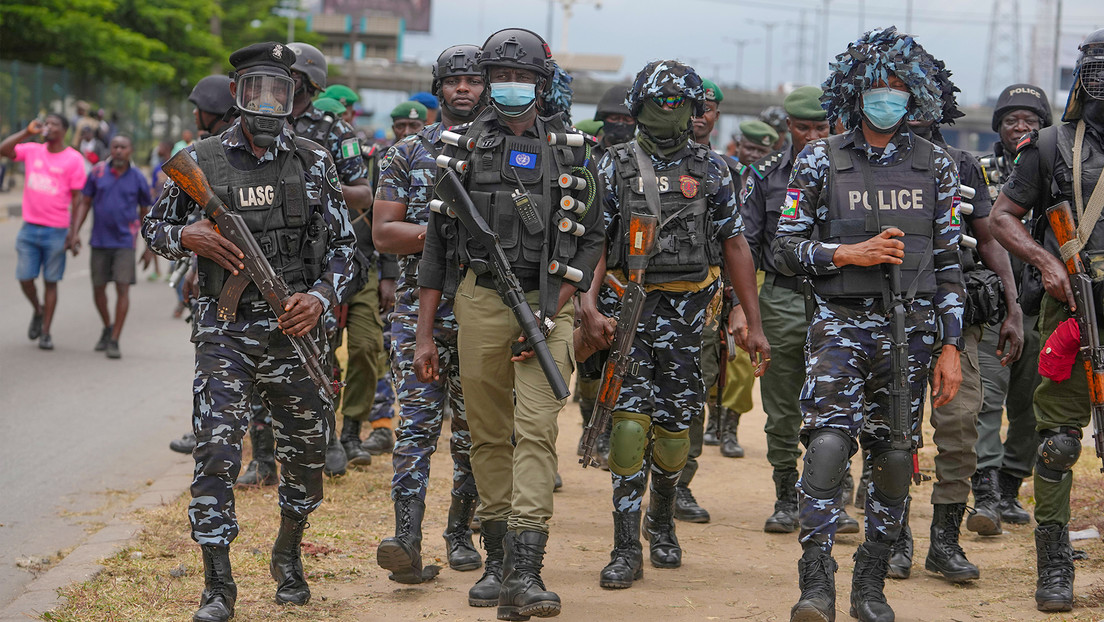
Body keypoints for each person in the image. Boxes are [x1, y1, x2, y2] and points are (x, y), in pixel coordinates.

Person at [142, 42, 356, 622]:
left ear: (293, 98)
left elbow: (345, 250)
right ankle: (218, 585)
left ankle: (288, 550)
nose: (266, 101)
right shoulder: (201, 160)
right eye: (254, 89)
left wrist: (319, 298)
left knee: (308, 452)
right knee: (216, 449)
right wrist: (189, 237)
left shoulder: (315, 161)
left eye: (278, 91)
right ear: (236, 95)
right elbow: (154, 226)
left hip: (295, 330)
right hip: (225, 329)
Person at [773, 27, 964, 622]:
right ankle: (815, 586)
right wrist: (842, 255)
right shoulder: (819, 158)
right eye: (877, 87)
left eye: (899, 87)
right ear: (856, 91)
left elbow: (952, 263)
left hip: (912, 331)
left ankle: (871, 588)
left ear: (917, 95)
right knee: (828, 448)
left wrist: (951, 345)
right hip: (840, 325)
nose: (887, 96)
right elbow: (781, 249)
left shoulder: (939, 165)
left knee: (895, 457)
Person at [416, 27, 604, 619]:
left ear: (542, 85)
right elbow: (437, 253)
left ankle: (527, 568)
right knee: (487, 432)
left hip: (548, 302)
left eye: (524, 79)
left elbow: (595, 233)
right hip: (479, 301)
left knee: (538, 425)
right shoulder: (458, 149)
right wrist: (425, 332)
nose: (513, 87)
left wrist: (562, 300)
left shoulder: (573, 150)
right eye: (503, 78)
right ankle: (497, 559)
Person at [579, 60, 769, 591]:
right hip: (628, 313)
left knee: (674, 435)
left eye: (678, 103)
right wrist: (589, 308)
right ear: (637, 106)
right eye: (657, 102)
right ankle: (624, 548)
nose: (668, 112)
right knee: (628, 430)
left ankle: (661, 524)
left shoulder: (714, 171)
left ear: (693, 111)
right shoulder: (612, 165)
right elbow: (595, 243)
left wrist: (751, 321)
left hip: (690, 318)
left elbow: (736, 246)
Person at [885, 59, 1023, 583]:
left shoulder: (963, 165)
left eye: (922, 99)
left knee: (961, 428)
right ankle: (894, 537)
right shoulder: (862, 161)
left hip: (952, 319)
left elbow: (989, 239)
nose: (912, 112)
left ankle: (945, 542)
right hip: (885, 316)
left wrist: (1012, 309)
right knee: (893, 432)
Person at [989, 28, 1104, 613]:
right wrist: (1043, 261)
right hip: (1073, 308)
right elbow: (1001, 217)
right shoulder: (1051, 144)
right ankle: (1055, 563)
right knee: (1060, 444)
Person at [372, 42, 485, 584]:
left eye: (473, 80)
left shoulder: (500, 152)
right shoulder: (405, 154)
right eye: (454, 80)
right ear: (439, 87)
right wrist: (441, 237)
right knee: (415, 429)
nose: (463, 88)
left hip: (483, 311)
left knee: (473, 433)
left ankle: (461, 533)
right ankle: (406, 540)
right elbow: (384, 233)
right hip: (418, 313)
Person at [739, 85, 842, 536]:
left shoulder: (852, 171)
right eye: (804, 127)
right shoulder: (764, 175)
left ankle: (835, 497)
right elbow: (744, 242)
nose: (814, 135)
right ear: (788, 127)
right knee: (781, 406)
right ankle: (786, 497)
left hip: (840, 299)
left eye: (822, 126)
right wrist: (744, 311)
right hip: (781, 297)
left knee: (839, 402)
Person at [287, 41, 386, 475]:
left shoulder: (333, 130)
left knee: (363, 347)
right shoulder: (254, 123)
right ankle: (325, 436)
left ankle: (350, 429)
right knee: (315, 351)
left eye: (288, 79)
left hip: (345, 259)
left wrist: (315, 181)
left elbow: (363, 193)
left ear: (306, 82)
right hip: (290, 263)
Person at [975, 83, 1051, 528]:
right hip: (991, 304)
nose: (1020, 127)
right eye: (1011, 120)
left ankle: (1009, 488)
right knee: (987, 398)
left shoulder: (1055, 169)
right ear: (997, 127)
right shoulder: (979, 171)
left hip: (1041, 304)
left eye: (1031, 121)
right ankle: (983, 489)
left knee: (1032, 402)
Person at [166, 74, 243, 457]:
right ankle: (207, 435)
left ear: (212, 112)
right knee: (212, 372)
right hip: (219, 283)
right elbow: (165, 224)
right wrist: (186, 242)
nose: (195, 113)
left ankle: (253, 453)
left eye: (199, 108)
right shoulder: (203, 155)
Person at [0, 113, 88, 351]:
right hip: (29, 228)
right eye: (46, 123)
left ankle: (46, 332)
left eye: (53, 124)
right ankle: (38, 310)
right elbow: (3, 149)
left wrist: (74, 233)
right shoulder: (32, 150)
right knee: (25, 277)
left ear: (64, 131)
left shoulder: (74, 159)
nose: (48, 127)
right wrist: (28, 131)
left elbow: (78, 199)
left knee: (51, 282)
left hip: (57, 230)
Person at [66, 135, 151, 359]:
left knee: (122, 288)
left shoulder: (138, 178)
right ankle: (107, 325)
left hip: (125, 242)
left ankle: (114, 339)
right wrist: (74, 232)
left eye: (123, 147)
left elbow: (145, 211)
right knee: (98, 288)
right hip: (100, 241)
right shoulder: (97, 173)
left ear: (131, 150)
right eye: (115, 147)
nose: (119, 151)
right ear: (110, 149)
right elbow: (85, 202)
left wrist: (150, 247)